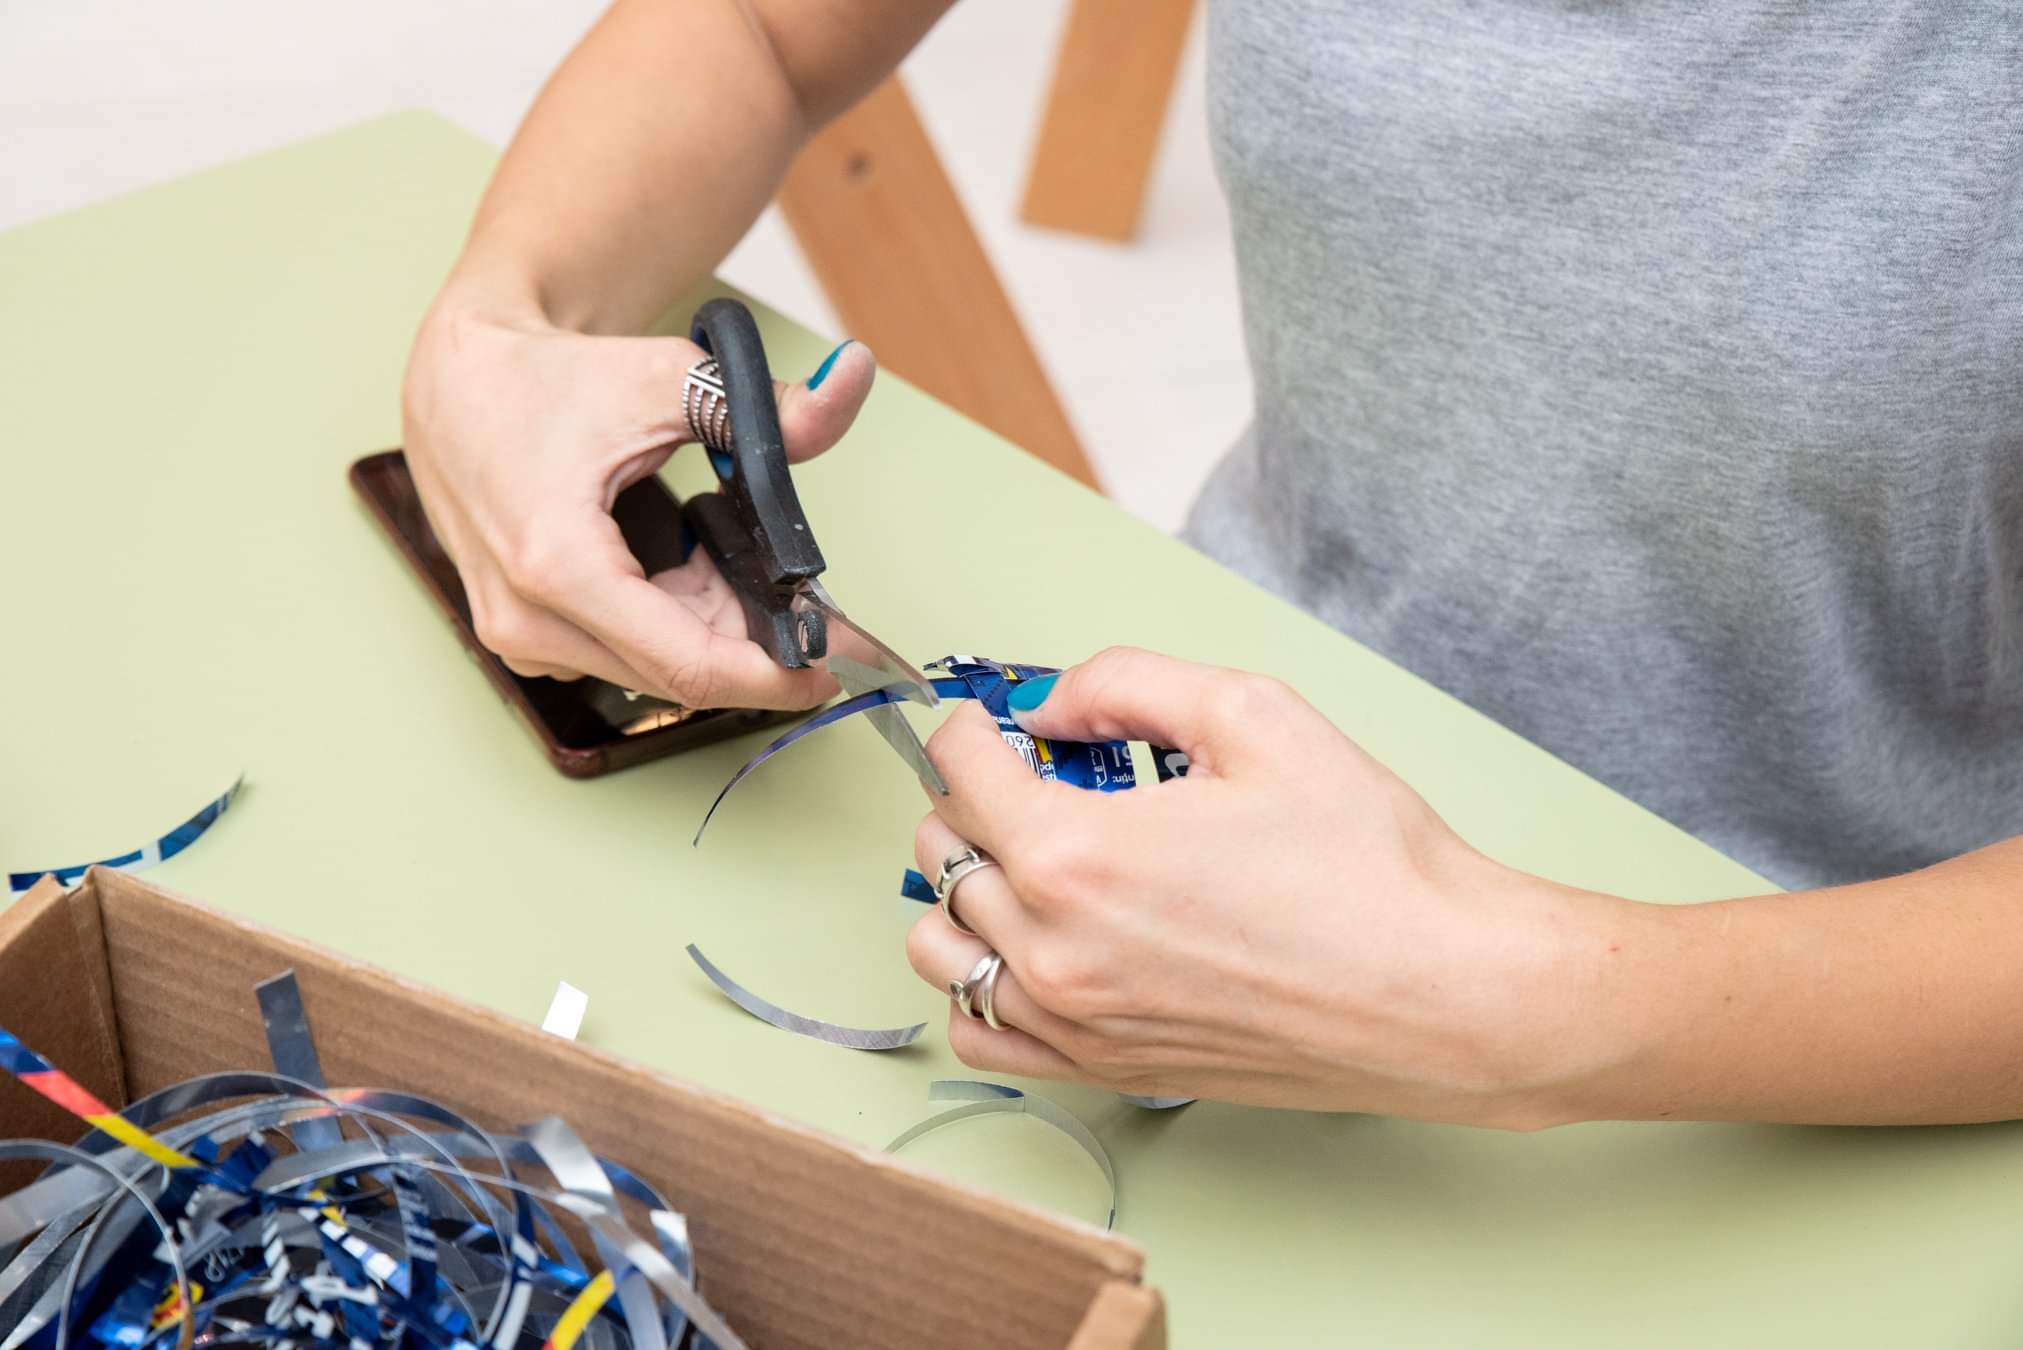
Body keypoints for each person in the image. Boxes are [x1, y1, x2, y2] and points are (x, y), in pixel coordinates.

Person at [403, 2, 2023, 1127]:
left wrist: (1525, 1012)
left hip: (1824, 1027)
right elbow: (763, 27)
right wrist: (502, 322)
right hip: (1200, 810)